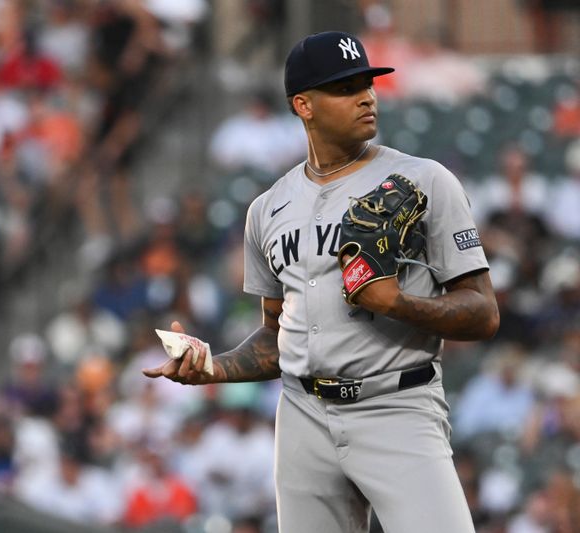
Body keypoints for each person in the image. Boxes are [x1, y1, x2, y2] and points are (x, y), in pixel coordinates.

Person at [144, 31, 499, 533]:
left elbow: (484, 313)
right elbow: (275, 335)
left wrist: (396, 303)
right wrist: (213, 368)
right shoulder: (267, 210)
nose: (366, 96)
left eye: (367, 83)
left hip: (397, 404)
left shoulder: (425, 181)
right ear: (303, 105)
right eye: (345, 87)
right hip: (302, 416)